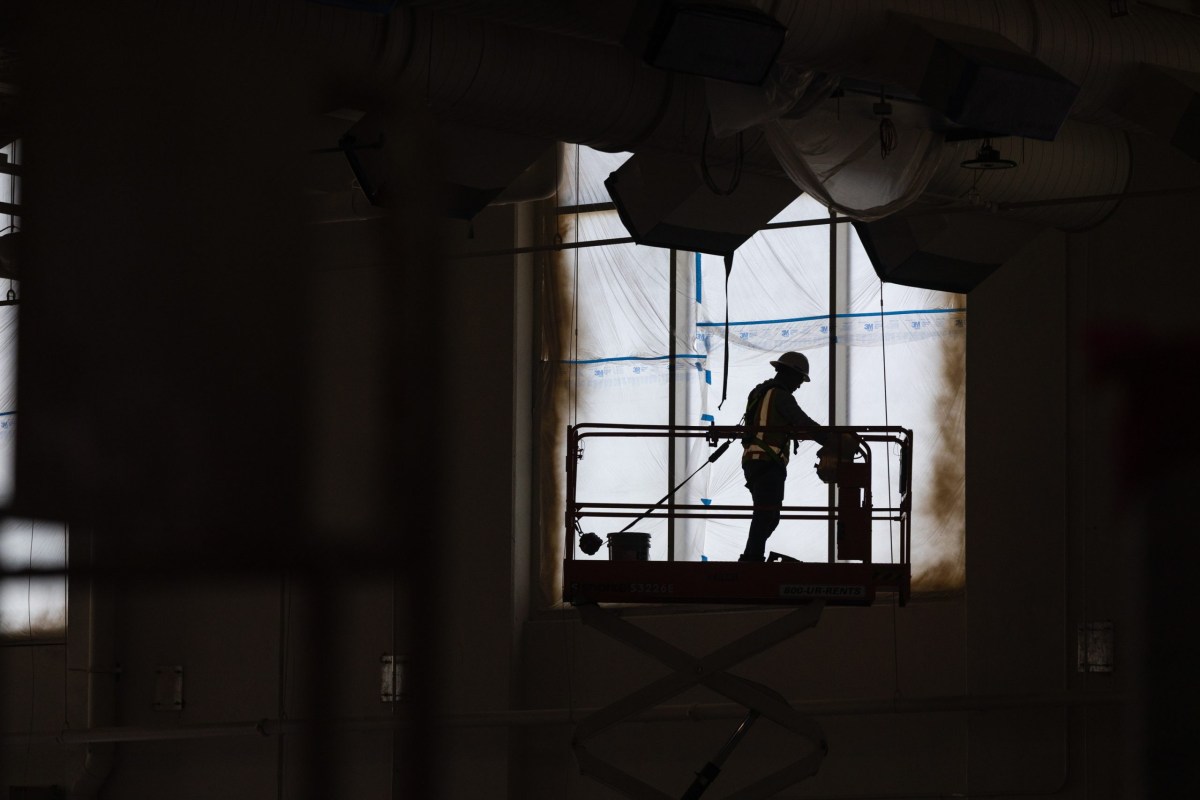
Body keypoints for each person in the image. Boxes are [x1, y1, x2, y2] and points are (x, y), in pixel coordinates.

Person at [738, 351, 828, 562]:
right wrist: (833, 440)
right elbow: (803, 422)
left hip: (753, 461)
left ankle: (753, 556)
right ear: (789, 374)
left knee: (766, 514)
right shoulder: (781, 396)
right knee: (767, 515)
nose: (799, 385)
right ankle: (751, 560)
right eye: (799, 379)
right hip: (768, 462)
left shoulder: (758, 392)